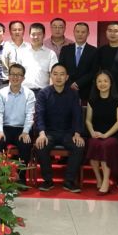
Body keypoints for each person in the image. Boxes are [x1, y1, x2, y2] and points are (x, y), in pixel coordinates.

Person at [34, 63, 85, 192]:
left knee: (79, 146)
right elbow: (39, 115)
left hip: (68, 132)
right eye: (55, 74)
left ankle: (69, 181)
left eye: (62, 74)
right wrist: (41, 133)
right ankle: (48, 180)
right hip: (49, 132)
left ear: (67, 77)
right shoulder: (43, 93)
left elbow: (77, 115)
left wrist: (77, 133)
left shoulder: (73, 94)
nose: (58, 77)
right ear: (50, 76)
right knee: (41, 145)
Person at [0, 63, 35, 187]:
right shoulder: (1, 93)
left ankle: (21, 177)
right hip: (5, 128)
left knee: (25, 144)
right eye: (13, 74)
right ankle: (2, 176)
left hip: (22, 129)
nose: (15, 77)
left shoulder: (29, 94)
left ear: (23, 78)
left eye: (19, 75)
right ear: (8, 76)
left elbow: (30, 115)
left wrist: (26, 131)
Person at [85, 70, 118, 195]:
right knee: (93, 144)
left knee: (105, 145)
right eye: (99, 81)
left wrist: (105, 135)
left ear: (110, 83)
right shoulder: (92, 100)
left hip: (113, 135)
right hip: (97, 133)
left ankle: (106, 181)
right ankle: (99, 178)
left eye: (105, 81)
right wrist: (92, 132)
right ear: (96, 84)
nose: (102, 84)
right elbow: (88, 120)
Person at [15, 23, 58, 97]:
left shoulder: (51, 54)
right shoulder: (21, 52)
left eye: (39, 34)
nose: (36, 37)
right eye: (33, 34)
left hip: (43, 92)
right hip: (24, 92)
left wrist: (51, 93)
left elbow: (53, 75)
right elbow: (17, 73)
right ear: (29, 35)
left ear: (44, 35)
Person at [60, 22, 98, 102]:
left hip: (86, 90)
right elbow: (61, 69)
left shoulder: (94, 51)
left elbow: (94, 71)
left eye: (83, 32)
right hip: (67, 88)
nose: (80, 34)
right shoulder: (65, 50)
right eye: (77, 31)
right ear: (73, 32)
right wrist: (70, 83)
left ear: (88, 34)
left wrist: (78, 83)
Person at [94, 23, 118, 96]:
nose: (112, 33)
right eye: (110, 30)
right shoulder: (101, 50)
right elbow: (96, 70)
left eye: (116, 31)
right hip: (104, 91)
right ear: (106, 33)